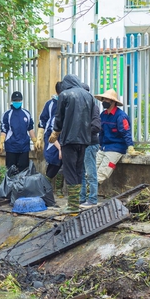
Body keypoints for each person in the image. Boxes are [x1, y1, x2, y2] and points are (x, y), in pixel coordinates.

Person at [49, 74, 101, 212]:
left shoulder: (65, 95)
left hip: (69, 139)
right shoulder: (89, 96)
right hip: (85, 141)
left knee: (70, 171)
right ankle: (77, 203)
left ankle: (72, 206)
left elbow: (59, 117)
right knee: (79, 171)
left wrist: (55, 132)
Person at [93, 89, 141, 196]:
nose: (104, 101)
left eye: (107, 99)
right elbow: (101, 132)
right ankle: (87, 193)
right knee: (91, 170)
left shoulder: (121, 116)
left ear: (113, 102)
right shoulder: (103, 115)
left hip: (116, 148)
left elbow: (126, 132)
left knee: (102, 172)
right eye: (103, 99)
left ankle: (91, 195)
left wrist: (130, 147)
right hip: (104, 147)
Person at [0, 91, 37, 171]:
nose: (17, 102)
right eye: (15, 100)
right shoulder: (7, 114)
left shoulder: (26, 113)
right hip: (11, 147)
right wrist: (1, 143)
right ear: (11, 100)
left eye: (19, 100)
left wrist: (35, 141)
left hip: (24, 147)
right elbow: (4, 130)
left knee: (24, 172)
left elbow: (30, 128)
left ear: (21, 101)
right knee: (11, 171)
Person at [79, 83, 102, 208]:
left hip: (90, 144)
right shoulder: (81, 107)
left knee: (90, 173)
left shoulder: (93, 107)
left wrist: (83, 132)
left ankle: (92, 198)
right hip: (82, 144)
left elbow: (97, 126)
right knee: (81, 173)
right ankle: (82, 198)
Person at [36, 82, 64, 181]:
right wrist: (38, 138)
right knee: (54, 162)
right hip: (52, 137)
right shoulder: (50, 104)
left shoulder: (67, 103)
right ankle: (44, 186)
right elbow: (43, 121)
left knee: (62, 165)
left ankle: (58, 190)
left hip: (64, 137)